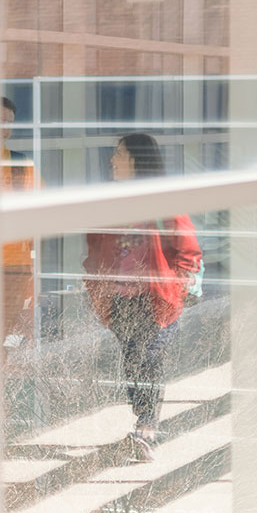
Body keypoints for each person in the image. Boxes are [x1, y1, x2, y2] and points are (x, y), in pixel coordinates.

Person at [82, 134, 201, 462]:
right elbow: (94, 242)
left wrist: (175, 288)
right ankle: (143, 416)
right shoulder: (110, 198)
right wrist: (93, 277)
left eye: (119, 154)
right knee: (134, 360)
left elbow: (188, 249)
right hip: (120, 299)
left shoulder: (163, 199)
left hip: (155, 298)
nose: (112, 160)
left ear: (137, 159)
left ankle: (147, 428)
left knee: (150, 358)